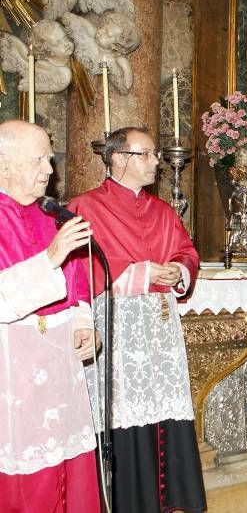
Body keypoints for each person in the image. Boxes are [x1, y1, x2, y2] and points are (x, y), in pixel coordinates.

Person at [68, 127, 206, 513]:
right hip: (117, 328)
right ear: (118, 159)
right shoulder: (85, 207)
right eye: (145, 154)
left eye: (154, 154)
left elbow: (186, 251)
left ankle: (163, 502)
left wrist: (179, 271)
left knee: (163, 412)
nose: (155, 162)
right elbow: (77, 267)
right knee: (122, 413)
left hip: (159, 328)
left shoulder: (162, 210)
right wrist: (141, 273)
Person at [0, 120, 99, 511]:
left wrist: (84, 325)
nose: (50, 170)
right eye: (38, 160)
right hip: (13, 377)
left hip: (60, 372)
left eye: (50, 158)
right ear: (4, 165)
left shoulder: (49, 215)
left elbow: (77, 286)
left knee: (69, 467)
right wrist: (51, 258)